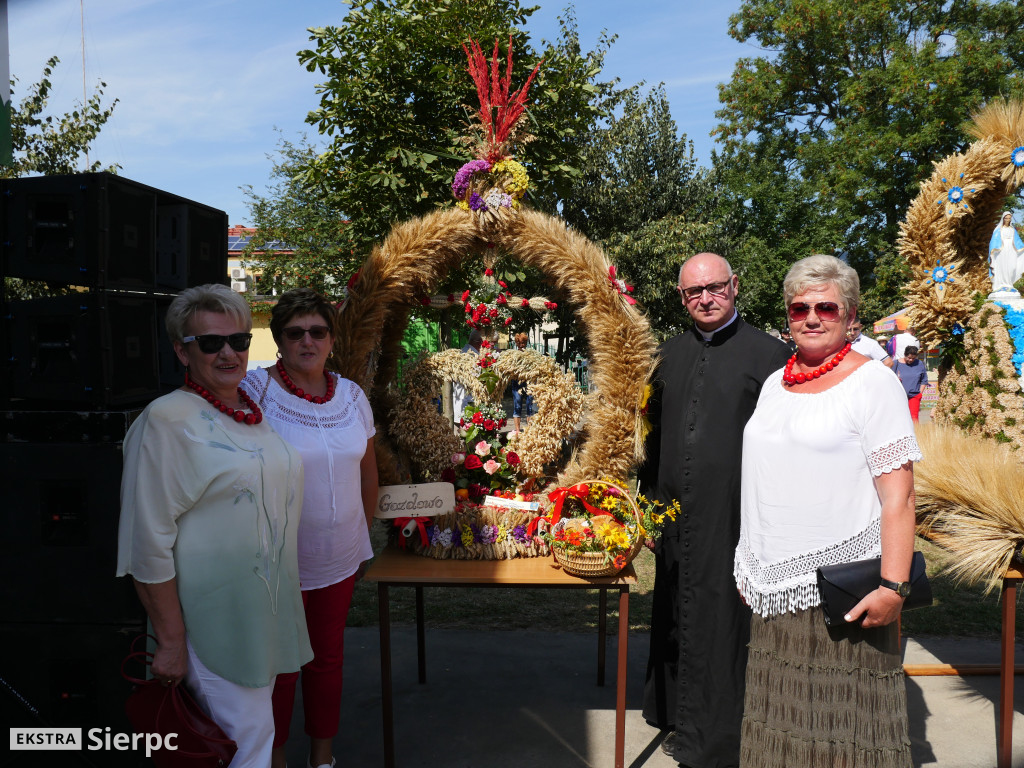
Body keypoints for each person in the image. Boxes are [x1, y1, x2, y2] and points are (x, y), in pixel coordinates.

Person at [734, 254, 920, 767]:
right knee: (783, 724)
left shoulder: (873, 383)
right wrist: (750, 562)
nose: (812, 317)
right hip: (776, 589)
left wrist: (894, 586)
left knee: (842, 727)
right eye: (799, 308)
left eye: (826, 308)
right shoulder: (776, 384)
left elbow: (900, 496)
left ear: (851, 317)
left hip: (844, 589)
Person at [117, 284, 312, 768]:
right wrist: (172, 640)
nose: (228, 352)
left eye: (239, 340)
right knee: (245, 748)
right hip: (212, 626)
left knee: (250, 739)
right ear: (183, 351)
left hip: (258, 620)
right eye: (210, 343)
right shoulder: (166, 421)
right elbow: (148, 543)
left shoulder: (248, 411)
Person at [639, 252, 790, 768]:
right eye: (692, 292)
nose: (705, 299)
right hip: (673, 513)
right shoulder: (666, 355)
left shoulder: (771, 356)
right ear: (682, 298)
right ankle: (675, 714)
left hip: (733, 516)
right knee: (677, 611)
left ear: (735, 286)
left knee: (720, 621)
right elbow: (650, 434)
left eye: (715, 288)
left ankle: (715, 737)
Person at [241, 288, 378, 768]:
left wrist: (365, 541)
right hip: (278, 560)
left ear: (332, 340)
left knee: (327, 661)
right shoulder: (255, 391)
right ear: (278, 340)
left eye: (318, 331)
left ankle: (323, 757)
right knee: (280, 668)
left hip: (340, 554)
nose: (307, 341)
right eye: (294, 332)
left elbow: (367, 470)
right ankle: (273, 758)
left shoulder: (353, 396)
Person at [989, 211, 1024, 292]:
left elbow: (1018, 241)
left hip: (1012, 250)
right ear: (1003, 219)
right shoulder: (999, 229)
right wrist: (993, 251)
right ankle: (1002, 285)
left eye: (1009, 218)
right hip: (1001, 251)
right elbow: (994, 241)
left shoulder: (1012, 229)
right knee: (1002, 267)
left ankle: (1009, 284)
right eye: (1006, 218)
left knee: (1012, 267)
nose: (1008, 220)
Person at [452, 329, 483, 422]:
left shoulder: (462, 352)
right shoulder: (472, 357)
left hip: (459, 401)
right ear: (478, 343)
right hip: (468, 402)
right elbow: (477, 380)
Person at [894, 345, 929, 422]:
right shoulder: (895, 364)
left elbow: (924, 379)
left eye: (913, 358)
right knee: (900, 418)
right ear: (904, 355)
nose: (910, 360)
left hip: (914, 395)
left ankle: (916, 432)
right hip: (899, 396)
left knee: (914, 418)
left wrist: (920, 393)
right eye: (909, 358)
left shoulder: (919, 364)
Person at [509, 331, 534, 434]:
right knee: (517, 406)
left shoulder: (531, 355)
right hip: (516, 383)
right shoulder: (512, 356)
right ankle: (518, 431)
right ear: (516, 343)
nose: (521, 345)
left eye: (523, 343)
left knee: (530, 406)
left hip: (528, 383)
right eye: (519, 343)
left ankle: (529, 430)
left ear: (526, 343)